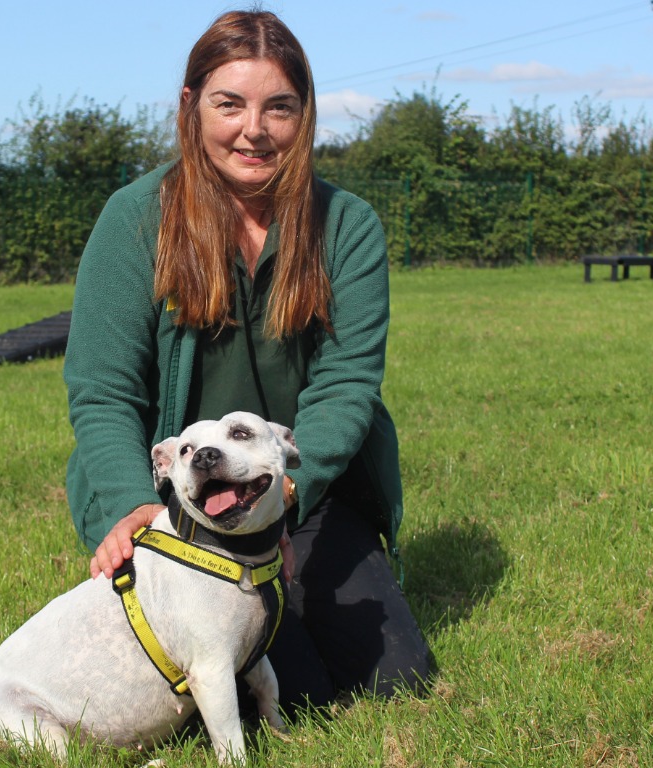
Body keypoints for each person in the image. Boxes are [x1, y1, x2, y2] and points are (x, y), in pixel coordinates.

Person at [62, 9, 434, 713]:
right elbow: (103, 393)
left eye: (279, 107)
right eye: (229, 103)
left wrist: (280, 500)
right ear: (190, 106)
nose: (253, 129)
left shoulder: (347, 227)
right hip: (175, 498)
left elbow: (347, 384)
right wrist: (135, 508)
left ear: (305, 114)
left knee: (395, 678)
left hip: (294, 487)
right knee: (283, 696)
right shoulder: (133, 220)